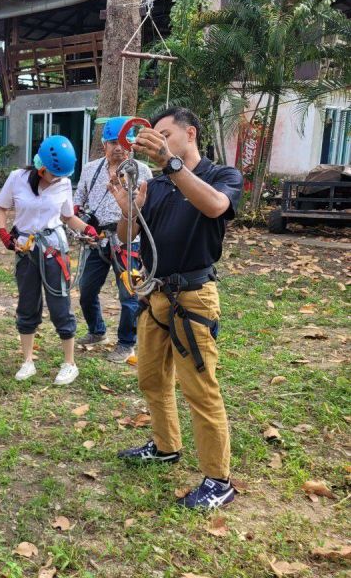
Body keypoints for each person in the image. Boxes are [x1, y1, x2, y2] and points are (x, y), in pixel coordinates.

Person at [108, 107, 243, 509]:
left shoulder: (220, 175)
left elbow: (216, 207)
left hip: (194, 298)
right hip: (157, 296)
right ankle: (166, 446)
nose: (157, 141)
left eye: (164, 134)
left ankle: (219, 481)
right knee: (151, 378)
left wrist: (171, 163)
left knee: (200, 389)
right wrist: (128, 209)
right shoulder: (161, 183)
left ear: (190, 133)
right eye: (155, 136)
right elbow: (130, 234)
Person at [0, 135, 97, 384]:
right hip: (26, 249)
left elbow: (67, 217)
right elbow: (1, 207)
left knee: (60, 304)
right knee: (27, 303)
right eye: (53, 174)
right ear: (40, 167)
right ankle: (27, 361)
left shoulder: (63, 183)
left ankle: (69, 363)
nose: (57, 179)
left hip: (54, 250)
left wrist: (86, 229)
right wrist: (3, 231)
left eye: (61, 175)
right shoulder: (17, 178)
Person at [74, 116, 152, 362]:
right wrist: (81, 229)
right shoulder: (90, 169)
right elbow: (77, 203)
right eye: (113, 142)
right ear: (104, 144)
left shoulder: (142, 171)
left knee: (129, 294)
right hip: (96, 240)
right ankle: (97, 331)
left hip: (129, 240)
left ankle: (127, 342)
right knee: (86, 290)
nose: (119, 148)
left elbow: (148, 208)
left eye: (124, 142)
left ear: (131, 145)